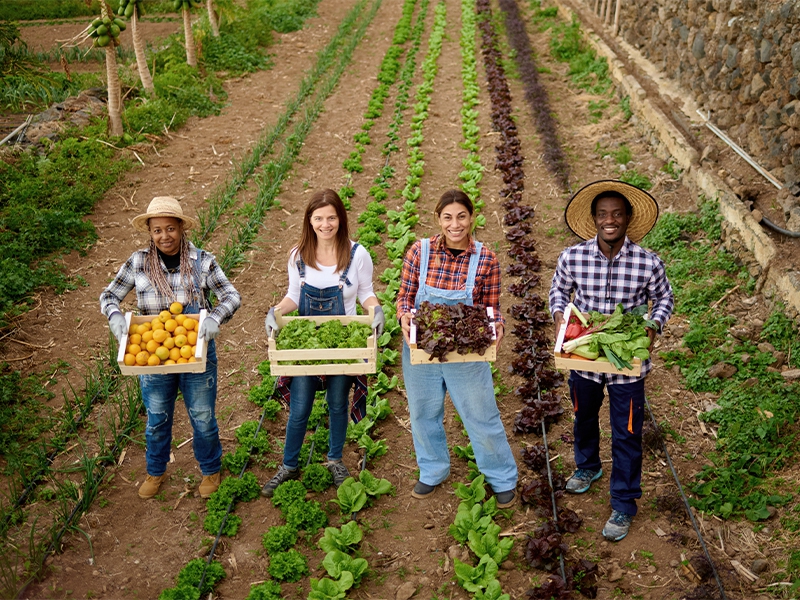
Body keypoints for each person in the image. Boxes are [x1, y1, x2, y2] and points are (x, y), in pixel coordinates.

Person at [549, 180, 674, 542]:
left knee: (627, 432)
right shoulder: (573, 257)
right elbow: (558, 289)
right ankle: (587, 467)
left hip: (626, 361)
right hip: (585, 353)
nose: (610, 220)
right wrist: (560, 315)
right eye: (603, 214)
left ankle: (623, 502)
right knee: (583, 416)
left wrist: (653, 326)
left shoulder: (648, 262)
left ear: (627, 219)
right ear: (594, 220)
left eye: (617, 214)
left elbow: (664, 299)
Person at [100, 196, 241, 500]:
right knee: (157, 416)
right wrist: (114, 316)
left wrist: (215, 317)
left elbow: (231, 295)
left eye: (170, 229)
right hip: (151, 355)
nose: (164, 236)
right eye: (157, 230)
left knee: (202, 415)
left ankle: (210, 468)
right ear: (150, 233)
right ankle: (156, 470)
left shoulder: (202, 261)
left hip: (194, 349)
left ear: (181, 229)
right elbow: (109, 296)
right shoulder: (138, 262)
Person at [397, 189, 518, 508]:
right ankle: (432, 470)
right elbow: (405, 300)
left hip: (465, 353)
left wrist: (498, 325)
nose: (455, 224)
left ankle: (501, 476)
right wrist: (405, 319)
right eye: (448, 217)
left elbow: (491, 307)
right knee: (423, 411)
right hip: (421, 348)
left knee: (480, 412)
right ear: (438, 219)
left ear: (472, 217)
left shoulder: (486, 259)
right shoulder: (418, 252)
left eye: (461, 216)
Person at [261, 189, 385, 497]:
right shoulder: (298, 255)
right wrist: (275, 312)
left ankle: (334, 460)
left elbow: (365, 293)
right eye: (319, 218)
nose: (325, 224)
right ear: (310, 220)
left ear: (341, 219)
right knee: (300, 407)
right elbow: (293, 296)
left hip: (343, 342)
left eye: (331, 217)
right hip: (307, 344)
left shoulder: (358, 254)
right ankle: (289, 465)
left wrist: (376, 309)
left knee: (337, 403)